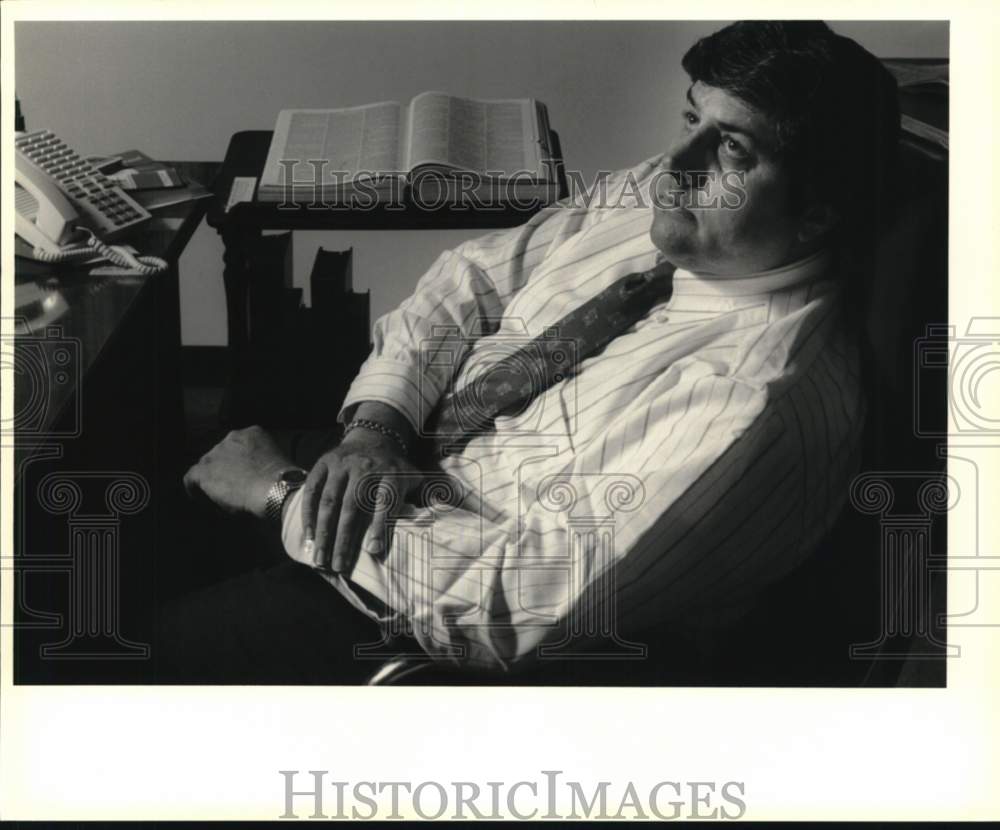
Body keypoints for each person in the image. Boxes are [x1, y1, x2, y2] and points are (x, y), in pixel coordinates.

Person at [169, 20, 900, 681]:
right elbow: (474, 275)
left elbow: (507, 605)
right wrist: (374, 434)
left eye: (732, 148)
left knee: (135, 651)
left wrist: (283, 496)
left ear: (818, 213)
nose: (674, 162)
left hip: (420, 614)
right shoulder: (674, 196)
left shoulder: (750, 407)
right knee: (169, 500)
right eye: (690, 118)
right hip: (405, 465)